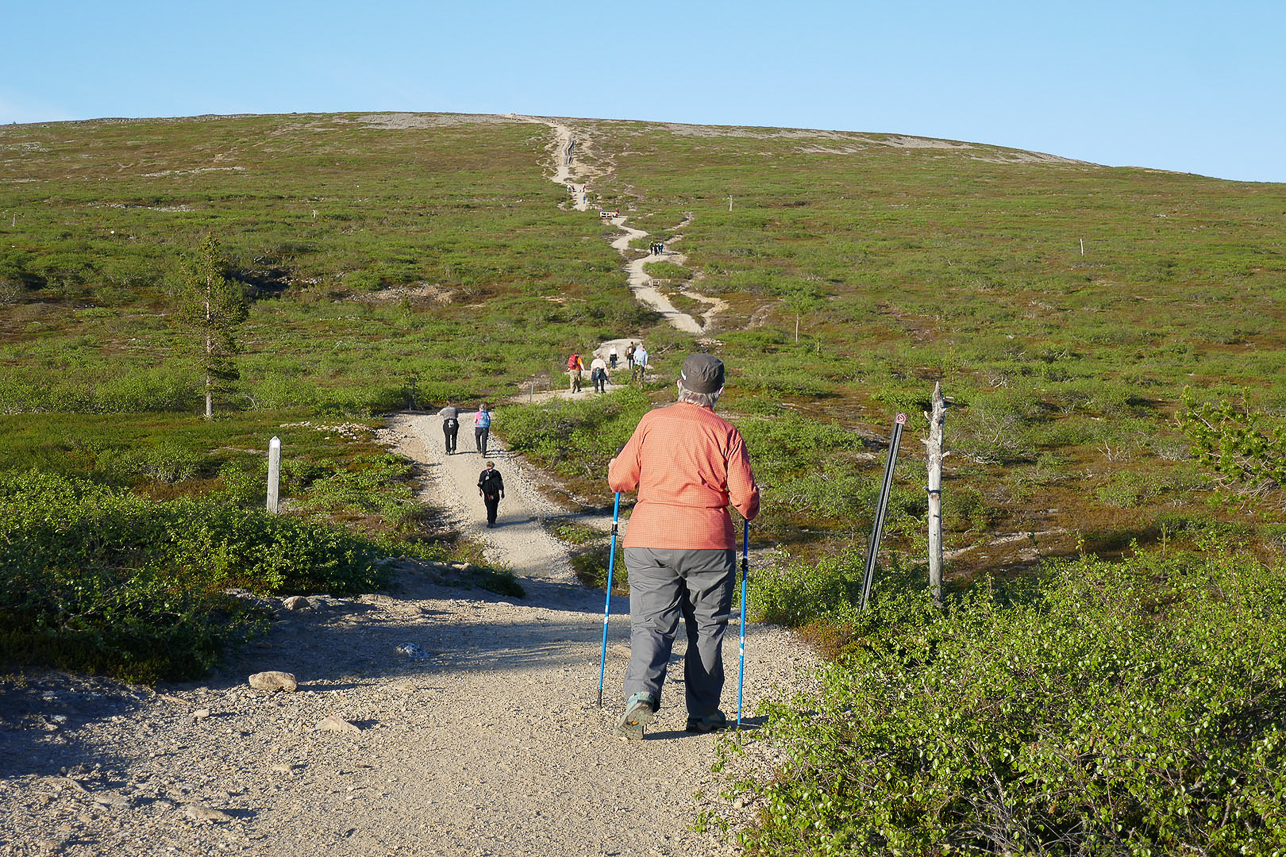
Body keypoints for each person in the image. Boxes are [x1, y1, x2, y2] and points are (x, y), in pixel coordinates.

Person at [607, 353, 760, 740]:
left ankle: (640, 696)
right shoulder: (726, 433)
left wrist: (614, 468)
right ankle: (704, 714)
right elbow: (746, 504)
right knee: (706, 629)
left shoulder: (651, 422)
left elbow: (621, 480)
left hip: (649, 539)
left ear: (679, 384)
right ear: (719, 392)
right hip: (708, 543)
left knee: (650, 625)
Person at [477, 461, 505, 528]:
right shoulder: (497, 473)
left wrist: (480, 491)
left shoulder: (483, 473)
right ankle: (493, 520)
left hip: (487, 494)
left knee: (489, 507)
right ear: (493, 466)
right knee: (495, 506)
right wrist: (503, 492)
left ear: (487, 466)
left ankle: (490, 522)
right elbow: (501, 483)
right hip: (495, 493)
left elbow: (480, 483)